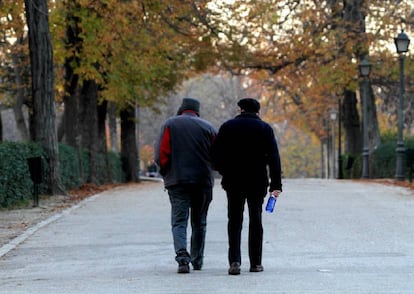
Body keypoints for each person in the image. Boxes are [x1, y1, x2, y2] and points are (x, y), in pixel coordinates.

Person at [212, 98, 283, 275]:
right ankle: (256, 263)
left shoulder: (227, 127)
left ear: (241, 109)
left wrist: (224, 171)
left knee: (234, 221)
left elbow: (215, 154)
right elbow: (274, 158)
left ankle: (234, 261)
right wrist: (276, 185)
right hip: (257, 181)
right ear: (258, 111)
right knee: (256, 221)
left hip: (233, 181)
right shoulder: (265, 129)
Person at [155, 98, 217, 274]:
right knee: (200, 221)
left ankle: (182, 258)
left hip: (177, 181)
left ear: (181, 109)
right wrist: (212, 169)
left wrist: (166, 172)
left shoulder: (170, 124)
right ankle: (197, 260)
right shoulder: (208, 127)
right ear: (197, 111)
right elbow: (217, 155)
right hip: (202, 182)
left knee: (179, 221)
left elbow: (162, 154)